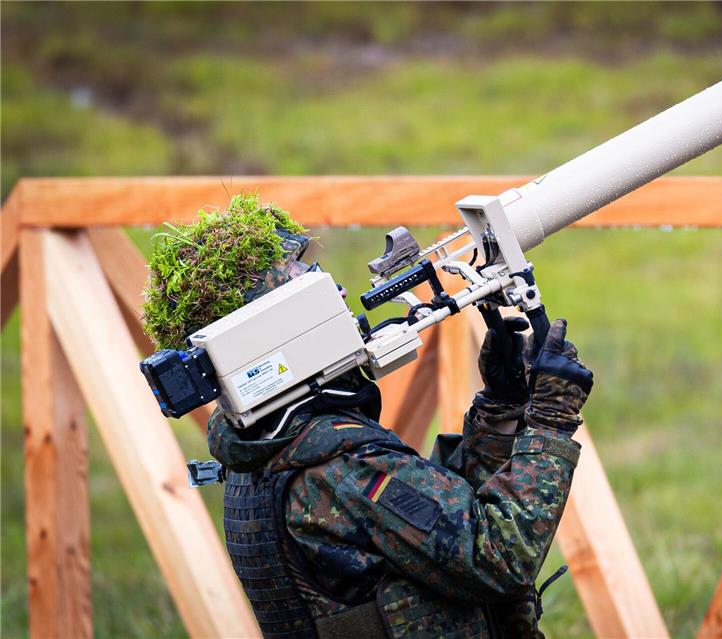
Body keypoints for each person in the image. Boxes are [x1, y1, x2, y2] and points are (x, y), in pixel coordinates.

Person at [144, 196, 593, 639]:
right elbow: (496, 558)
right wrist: (550, 419)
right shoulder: (341, 469)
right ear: (266, 333)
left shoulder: (268, 448)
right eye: (310, 285)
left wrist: (502, 407)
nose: (337, 291)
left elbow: (442, 533)